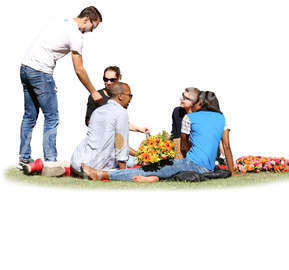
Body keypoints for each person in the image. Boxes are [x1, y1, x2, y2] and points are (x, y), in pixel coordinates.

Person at [80, 88, 237, 182]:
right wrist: (231, 172)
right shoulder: (222, 118)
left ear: (200, 104)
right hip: (208, 169)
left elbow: (183, 146)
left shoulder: (190, 117)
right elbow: (227, 148)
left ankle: (101, 174)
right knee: (163, 170)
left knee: (149, 168)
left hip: (191, 164)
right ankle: (154, 178)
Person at [18, 6, 103, 168]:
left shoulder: (61, 20)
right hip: (41, 72)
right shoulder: (76, 35)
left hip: (25, 67)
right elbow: (79, 69)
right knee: (52, 117)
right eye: (93, 26)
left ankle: (23, 158)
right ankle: (50, 161)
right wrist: (93, 91)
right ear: (87, 19)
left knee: (29, 115)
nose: (91, 31)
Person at [71, 82, 133, 176]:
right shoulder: (121, 112)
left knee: (132, 158)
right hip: (94, 167)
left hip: (76, 162)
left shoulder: (98, 111)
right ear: (120, 96)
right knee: (133, 162)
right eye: (130, 95)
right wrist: (124, 173)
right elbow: (121, 144)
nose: (130, 99)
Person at [171, 89, 230, 163]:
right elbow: (177, 137)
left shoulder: (204, 116)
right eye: (183, 96)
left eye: (185, 98)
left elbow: (218, 137)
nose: (181, 99)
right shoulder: (178, 112)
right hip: (183, 153)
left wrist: (224, 156)